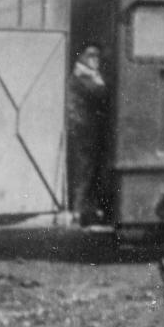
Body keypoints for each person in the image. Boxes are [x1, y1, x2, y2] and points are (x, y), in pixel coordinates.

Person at [66, 43, 109, 222]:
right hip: (82, 130)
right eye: (91, 55)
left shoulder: (91, 77)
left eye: (97, 56)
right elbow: (99, 94)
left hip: (91, 130)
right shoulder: (80, 78)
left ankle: (89, 208)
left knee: (91, 170)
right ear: (81, 57)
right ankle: (77, 209)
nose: (95, 59)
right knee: (82, 169)